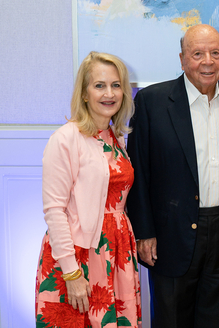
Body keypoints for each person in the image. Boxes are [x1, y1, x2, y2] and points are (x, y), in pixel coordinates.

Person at [126, 24, 219, 327]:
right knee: (172, 318)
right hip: (169, 233)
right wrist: (144, 232)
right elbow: (139, 172)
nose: (208, 61)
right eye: (197, 54)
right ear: (182, 58)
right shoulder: (151, 102)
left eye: (215, 53)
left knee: (217, 317)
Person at [35, 51, 141, 327]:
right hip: (78, 256)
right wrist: (71, 273)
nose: (110, 93)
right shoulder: (66, 138)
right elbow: (54, 210)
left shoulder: (115, 136)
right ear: (84, 93)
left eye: (116, 85)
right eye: (99, 85)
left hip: (116, 251)